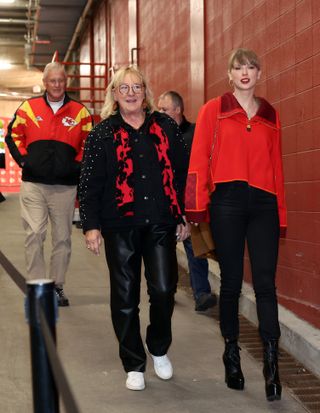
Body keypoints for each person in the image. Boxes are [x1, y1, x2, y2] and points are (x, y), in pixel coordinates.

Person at [78, 65, 189, 391]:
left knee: (164, 289)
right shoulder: (101, 134)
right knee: (125, 297)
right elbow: (89, 183)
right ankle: (134, 362)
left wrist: (182, 215)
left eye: (136, 87)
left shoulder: (166, 126)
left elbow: (182, 174)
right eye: (124, 88)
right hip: (119, 224)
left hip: (160, 222)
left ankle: (158, 347)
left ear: (145, 93)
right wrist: (91, 226)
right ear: (114, 94)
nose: (130, 93)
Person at [185, 48, 287, 401]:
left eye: (251, 67)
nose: (245, 72)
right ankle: (231, 353)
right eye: (238, 67)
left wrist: (282, 213)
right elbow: (198, 159)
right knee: (230, 283)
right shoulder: (213, 109)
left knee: (265, 285)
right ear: (229, 74)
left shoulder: (271, 114)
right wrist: (195, 209)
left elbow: (277, 166)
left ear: (259, 73)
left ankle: (272, 365)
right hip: (226, 202)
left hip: (264, 205)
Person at [5, 62, 93, 306]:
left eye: (61, 81)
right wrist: (24, 160)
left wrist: (76, 166)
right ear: (45, 83)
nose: (57, 85)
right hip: (34, 184)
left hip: (65, 187)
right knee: (34, 234)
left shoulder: (80, 112)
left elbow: (89, 143)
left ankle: (57, 286)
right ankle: (37, 287)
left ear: (66, 82)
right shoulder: (29, 108)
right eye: (52, 81)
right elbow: (13, 135)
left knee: (63, 238)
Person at [158, 91, 217, 311]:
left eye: (164, 109)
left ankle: (201, 293)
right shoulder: (157, 136)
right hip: (164, 203)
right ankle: (166, 290)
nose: (160, 113)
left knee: (195, 249)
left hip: (189, 202)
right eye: (159, 109)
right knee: (164, 251)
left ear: (178, 110)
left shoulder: (195, 133)